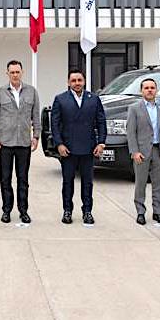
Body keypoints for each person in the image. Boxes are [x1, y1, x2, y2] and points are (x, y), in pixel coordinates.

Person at [50, 68, 107, 225]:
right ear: (68, 82)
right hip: (68, 149)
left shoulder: (94, 99)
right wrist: (59, 144)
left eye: (79, 80)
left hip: (88, 148)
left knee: (87, 182)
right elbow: (55, 124)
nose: (76, 83)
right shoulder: (60, 99)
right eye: (73, 81)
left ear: (84, 81)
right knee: (68, 182)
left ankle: (87, 211)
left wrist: (101, 142)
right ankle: (67, 210)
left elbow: (101, 121)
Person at [0, 60, 41, 224]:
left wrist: (36, 136)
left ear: (22, 72)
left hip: (24, 143)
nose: (15, 75)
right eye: (12, 72)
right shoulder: (0, 92)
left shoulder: (32, 92)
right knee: (5, 179)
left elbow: (36, 116)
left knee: (23, 179)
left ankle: (23, 211)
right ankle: (6, 210)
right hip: (5, 143)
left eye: (17, 72)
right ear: (7, 74)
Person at [125, 77, 160, 225]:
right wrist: (134, 151)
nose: (149, 90)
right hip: (141, 152)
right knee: (140, 184)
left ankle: (158, 212)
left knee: (158, 184)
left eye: (152, 88)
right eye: (146, 88)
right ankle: (140, 212)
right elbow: (130, 132)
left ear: (156, 90)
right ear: (141, 91)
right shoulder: (134, 108)